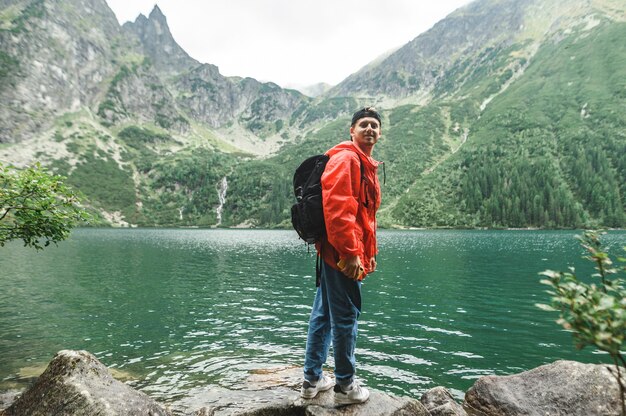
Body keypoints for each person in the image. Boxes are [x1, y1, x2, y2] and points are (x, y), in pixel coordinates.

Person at [301, 107, 382, 404]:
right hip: (340, 253)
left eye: (375, 125)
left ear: (380, 133)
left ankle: (312, 380)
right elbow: (338, 210)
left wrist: (367, 253)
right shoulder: (347, 159)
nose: (370, 129)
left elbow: (363, 217)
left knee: (323, 315)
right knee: (346, 316)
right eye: (364, 124)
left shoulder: (362, 162)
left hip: (336, 251)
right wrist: (350, 253)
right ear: (352, 130)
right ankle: (346, 387)